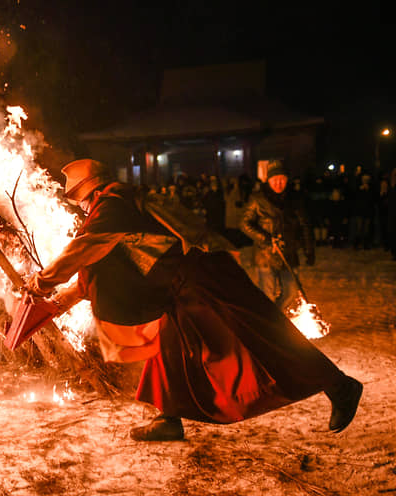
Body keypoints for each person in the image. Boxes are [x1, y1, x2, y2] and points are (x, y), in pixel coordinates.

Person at [24, 159, 362, 441]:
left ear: (94, 191)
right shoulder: (117, 207)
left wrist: (40, 284)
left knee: (260, 334)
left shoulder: (112, 204)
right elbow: (91, 272)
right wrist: (56, 304)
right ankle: (167, 419)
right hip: (175, 288)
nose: (82, 207)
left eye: (81, 199)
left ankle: (339, 385)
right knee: (169, 348)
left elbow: (82, 250)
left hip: (204, 278)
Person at [240, 160, 315, 314]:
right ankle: (270, 322)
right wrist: (266, 239)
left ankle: (275, 317)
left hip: (288, 253)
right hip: (265, 255)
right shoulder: (258, 199)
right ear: (268, 180)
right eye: (275, 180)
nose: (278, 183)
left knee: (291, 292)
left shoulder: (294, 199)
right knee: (267, 294)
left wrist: (309, 250)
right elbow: (244, 223)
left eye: (282, 179)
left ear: (287, 180)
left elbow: (304, 225)